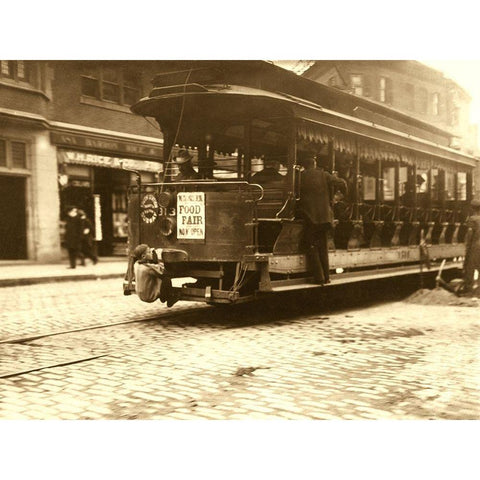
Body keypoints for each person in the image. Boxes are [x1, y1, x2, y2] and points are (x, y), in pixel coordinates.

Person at [296, 153, 347, 284]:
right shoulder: (324, 174)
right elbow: (341, 182)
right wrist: (340, 195)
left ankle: (319, 277)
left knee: (311, 246)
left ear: (303, 166)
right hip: (324, 218)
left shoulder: (300, 177)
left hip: (310, 217)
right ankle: (327, 277)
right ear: (314, 164)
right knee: (323, 247)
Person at [463, 198, 480, 293]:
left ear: (472, 208)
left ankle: (468, 289)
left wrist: (467, 248)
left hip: (476, 246)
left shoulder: (472, 219)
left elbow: (470, 235)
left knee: (470, 267)